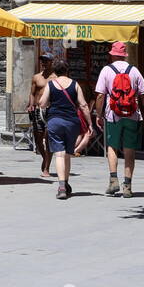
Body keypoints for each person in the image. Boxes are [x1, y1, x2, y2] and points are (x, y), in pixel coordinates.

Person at [94, 42, 144, 198]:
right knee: (129, 149)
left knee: (112, 146)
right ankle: (127, 185)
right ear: (125, 55)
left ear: (112, 54)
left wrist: (99, 115)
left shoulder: (106, 70)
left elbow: (100, 95)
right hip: (132, 115)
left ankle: (113, 181)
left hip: (113, 115)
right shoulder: (134, 71)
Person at [38, 59, 93, 199]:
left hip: (55, 121)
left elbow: (42, 104)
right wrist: (89, 123)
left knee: (59, 154)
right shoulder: (75, 85)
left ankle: (62, 186)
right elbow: (84, 105)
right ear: (67, 70)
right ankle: (66, 183)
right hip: (72, 123)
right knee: (67, 154)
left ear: (55, 71)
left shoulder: (51, 84)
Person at [28, 52, 54, 176]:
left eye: (46, 60)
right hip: (38, 111)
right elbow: (32, 93)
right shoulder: (36, 77)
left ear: (51, 62)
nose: (43, 63)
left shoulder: (56, 78)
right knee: (38, 140)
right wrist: (31, 105)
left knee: (48, 139)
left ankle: (47, 168)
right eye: (42, 60)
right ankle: (45, 158)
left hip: (51, 110)